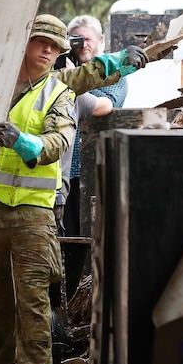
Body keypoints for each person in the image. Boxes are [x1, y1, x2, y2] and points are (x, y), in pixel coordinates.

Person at [0, 14, 147, 364]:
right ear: (23, 45)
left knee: (33, 302)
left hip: (32, 213)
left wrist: (23, 141)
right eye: (39, 42)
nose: (47, 50)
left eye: (55, 45)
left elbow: (59, 141)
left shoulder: (57, 91)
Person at [55, 15, 130, 236]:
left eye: (87, 39)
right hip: (62, 170)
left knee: (93, 236)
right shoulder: (59, 68)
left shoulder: (113, 74)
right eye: (76, 40)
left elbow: (104, 106)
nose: (83, 45)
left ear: (100, 39)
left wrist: (73, 80)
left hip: (94, 168)